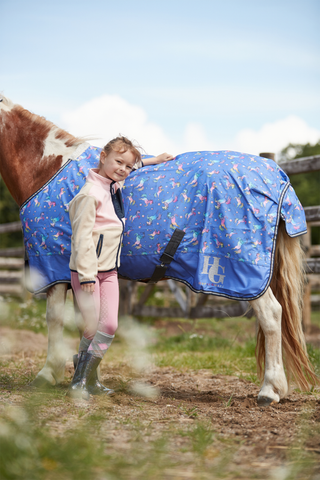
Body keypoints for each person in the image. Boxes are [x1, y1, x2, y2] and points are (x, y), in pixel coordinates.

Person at [67, 136, 173, 399]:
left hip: (110, 272)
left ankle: (86, 378)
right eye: (118, 162)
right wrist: (87, 276)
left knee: (110, 325)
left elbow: (128, 166)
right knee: (92, 328)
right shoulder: (90, 195)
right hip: (88, 274)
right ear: (103, 157)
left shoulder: (113, 185)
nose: (124, 169)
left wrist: (154, 161)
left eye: (128, 165)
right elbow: (81, 240)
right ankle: (79, 384)